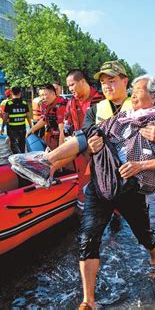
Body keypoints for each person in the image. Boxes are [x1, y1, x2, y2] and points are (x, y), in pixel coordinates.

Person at [15, 75, 155, 310]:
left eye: (138, 89)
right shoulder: (122, 116)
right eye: (132, 88)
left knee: (143, 234)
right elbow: (90, 135)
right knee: (88, 237)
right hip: (102, 180)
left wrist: (141, 165)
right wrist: (91, 144)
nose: (133, 92)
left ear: (153, 95)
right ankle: (88, 300)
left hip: (130, 187)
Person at [65, 69, 104, 207]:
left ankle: (115, 217)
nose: (69, 89)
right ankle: (84, 209)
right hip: (81, 152)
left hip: (100, 151)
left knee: (106, 184)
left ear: (82, 82)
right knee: (84, 183)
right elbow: (68, 124)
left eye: (72, 85)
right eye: (68, 86)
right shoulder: (71, 103)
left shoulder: (102, 99)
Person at [28, 84, 66, 151]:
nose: (42, 98)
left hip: (61, 141)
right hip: (51, 141)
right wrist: (31, 130)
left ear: (53, 94)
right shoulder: (45, 104)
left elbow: (62, 130)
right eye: (40, 95)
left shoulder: (61, 106)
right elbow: (44, 119)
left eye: (44, 95)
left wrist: (60, 151)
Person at [2, 87, 31, 154]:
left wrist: (2, 127)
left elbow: (5, 117)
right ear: (20, 93)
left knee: (14, 145)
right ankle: (22, 159)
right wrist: (31, 126)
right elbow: (28, 116)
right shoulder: (24, 103)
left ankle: (16, 160)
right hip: (22, 128)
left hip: (12, 129)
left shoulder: (9, 103)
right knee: (22, 145)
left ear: (11, 93)